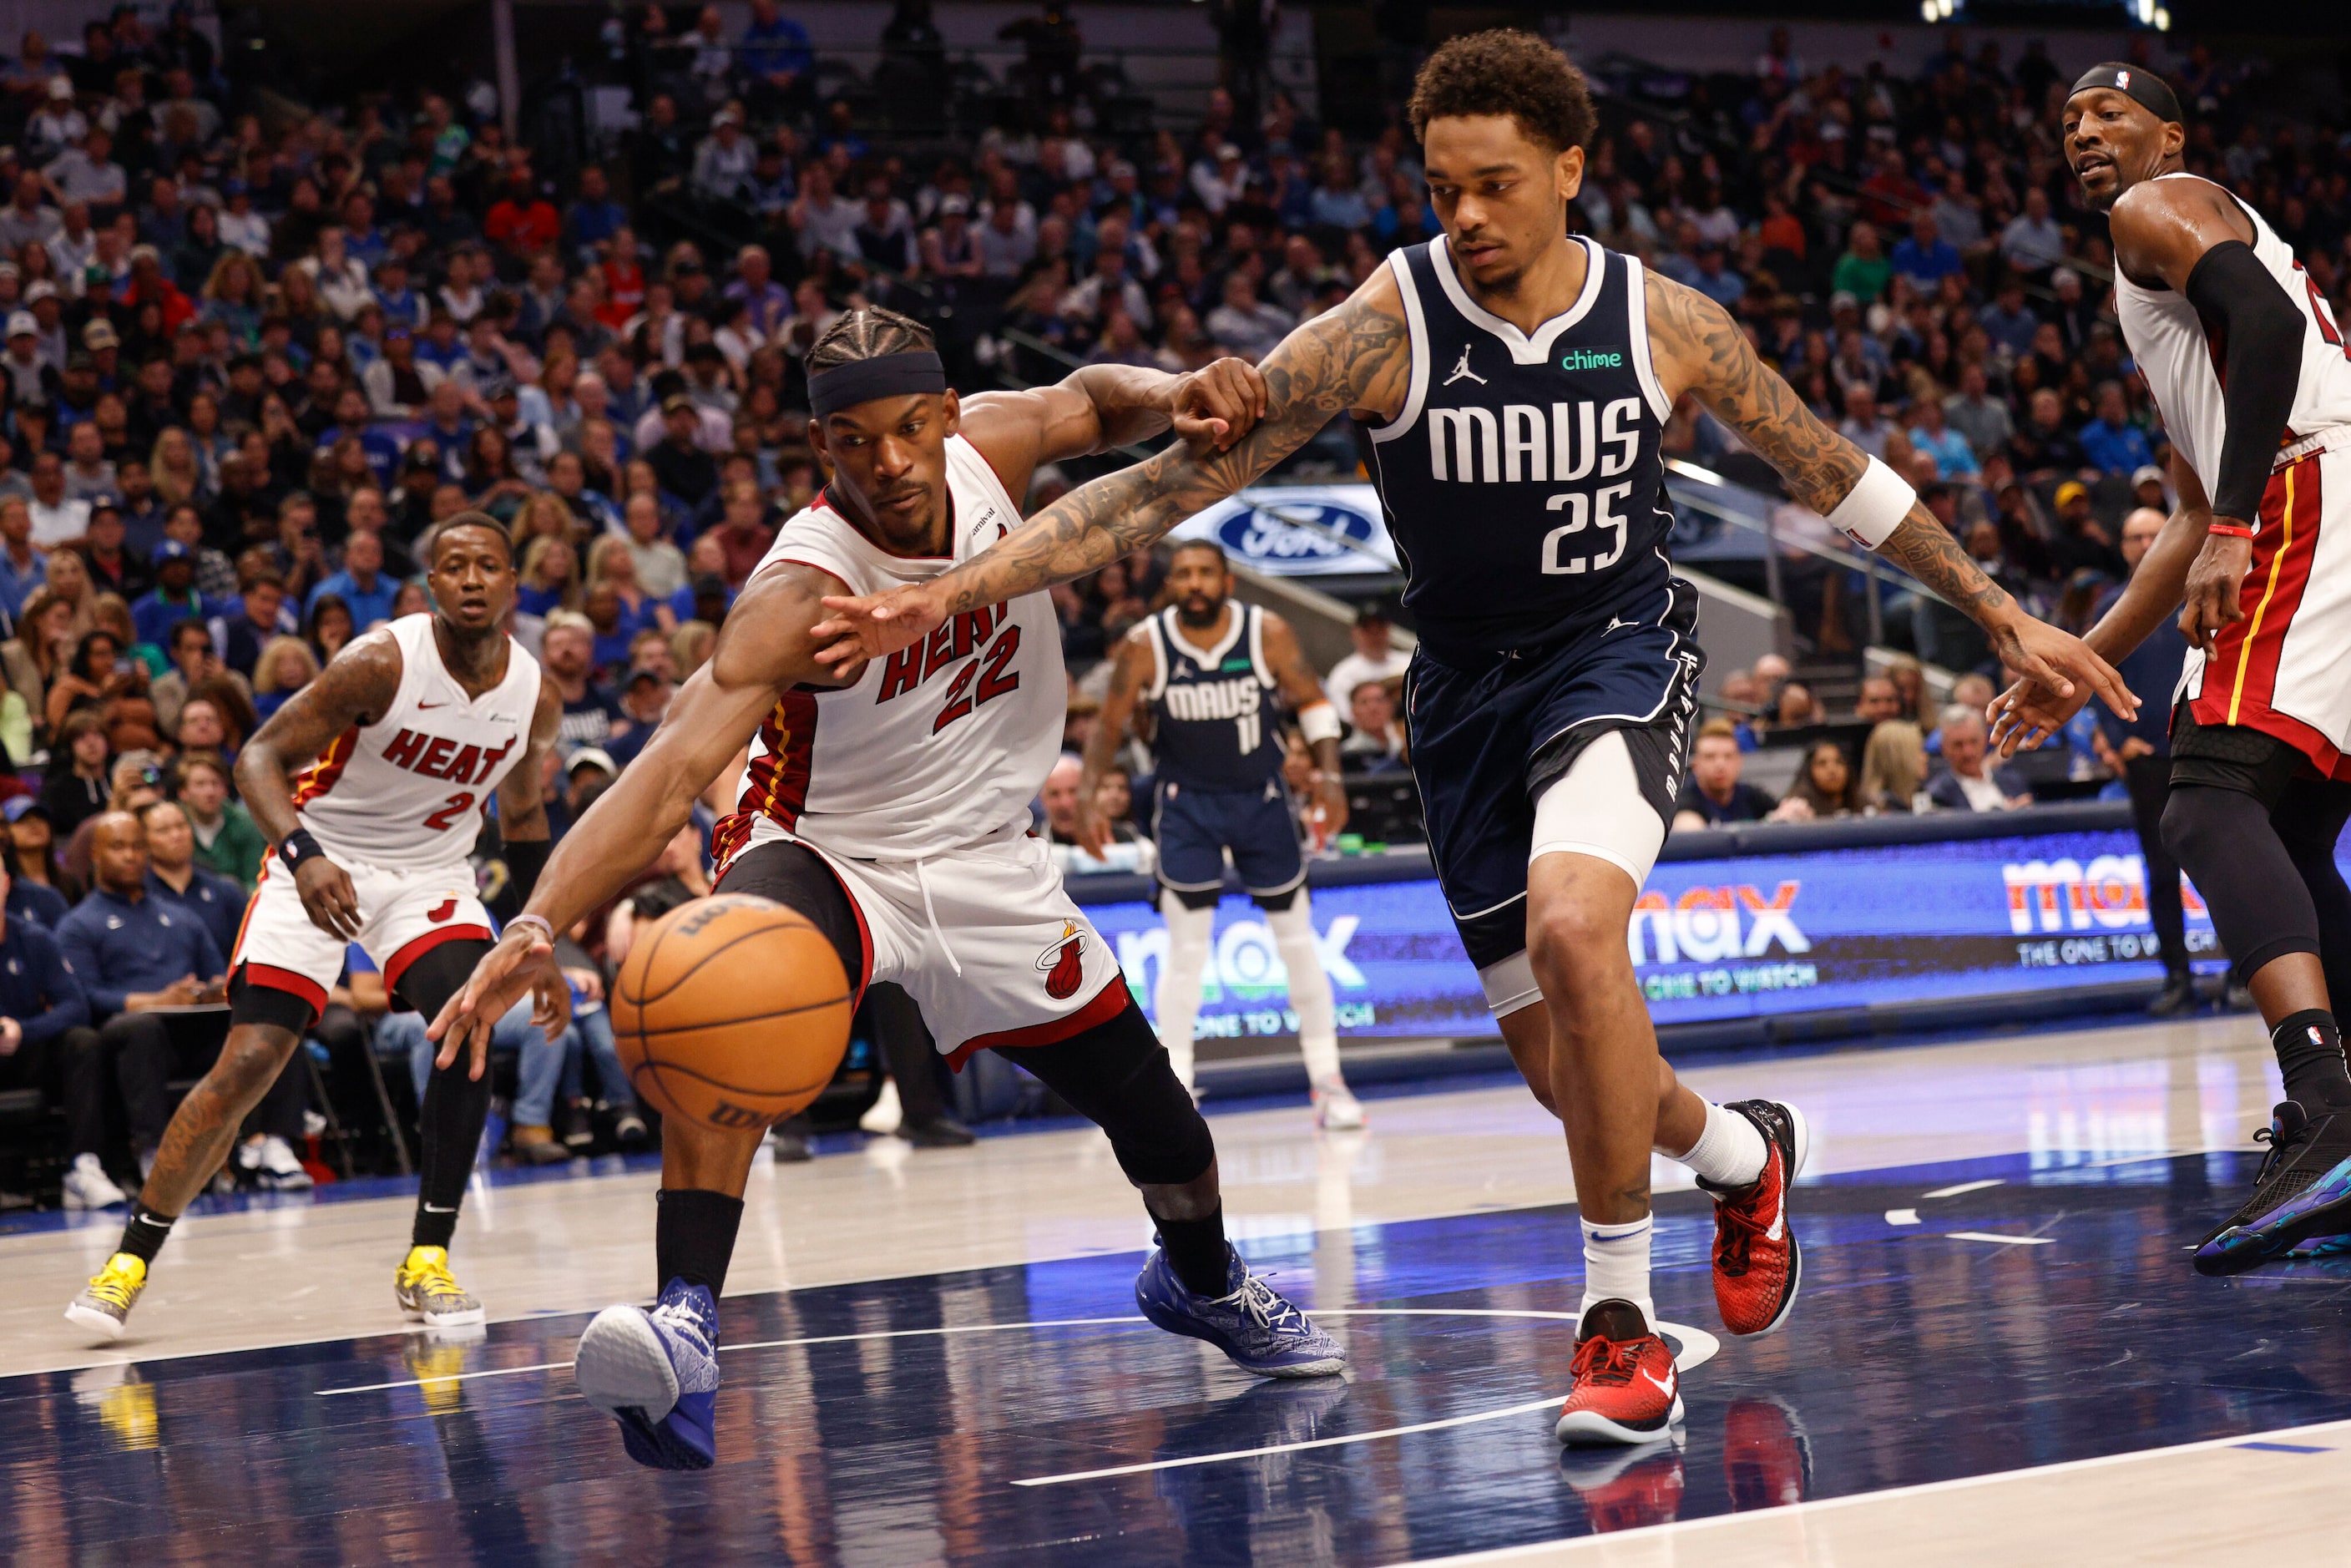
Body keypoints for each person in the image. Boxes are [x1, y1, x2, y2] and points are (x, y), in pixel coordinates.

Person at [808, 31, 2129, 1447]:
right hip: (1461, 702)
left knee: (1577, 935)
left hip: (1616, 658)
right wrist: (943, 593)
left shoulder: (1664, 320)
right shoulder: (1386, 325)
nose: (1468, 219)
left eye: (1495, 186)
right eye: (1443, 190)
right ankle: (1748, 1158)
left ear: (1571, 169)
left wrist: (1999, 610)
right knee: (1574, 1078)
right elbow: (1156, 493)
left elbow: (1831, 473)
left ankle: (1619, 1328)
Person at [427, 308, 1344, 1474]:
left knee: (1162, 1126)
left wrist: (1171, 391)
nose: (890, 461)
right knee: (718, 1000)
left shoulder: (996, 449)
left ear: (948, 416)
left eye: (911, 427)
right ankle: (686, 1324)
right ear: (823, 448)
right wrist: (535, 922)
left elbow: (1095, 401)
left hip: (986, 858)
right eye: (855, 440)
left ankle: (1205, 1281)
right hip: (825, 846)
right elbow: (667, 772)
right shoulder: (795, 593)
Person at [1997, 65, 2351, 1272]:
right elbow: (2191, 513)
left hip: (2311, 487)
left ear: (2170, 135)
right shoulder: (2161, 291)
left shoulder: (2162, 206)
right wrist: (2078, 661)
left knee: (2203, 803)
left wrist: (2253, 521)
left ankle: (2323, 1104)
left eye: (2110, 114)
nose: (2085, 131)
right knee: (2288, 830)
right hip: (2307, 485)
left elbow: (2274, 329)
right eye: (2069, 121)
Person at [64, 517, 565, 1343]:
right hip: (322, 858)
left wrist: (535, 931)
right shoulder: (380, 662)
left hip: (432, 876)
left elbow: (523, 811)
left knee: (467, 1027)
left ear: (514, 583)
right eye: (453, 566)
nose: (471, 579)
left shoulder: (534, 696)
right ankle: (129, 1259)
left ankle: (427, 1261)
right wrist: (300, 855)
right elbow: (257, 757)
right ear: (430, 587)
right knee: (252, 1060)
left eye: (488, 565)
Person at [1086, 539, 1363, 1124]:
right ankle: (1178, 1086)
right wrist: (1090, 796)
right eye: (1183, 574)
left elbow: (1313, 705)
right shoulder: (1147, 644)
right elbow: (1108, 726)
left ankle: (1329, 1081)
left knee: (1297, 941)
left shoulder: (1268, 632)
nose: (1194, 583)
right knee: (1186, 952)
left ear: (1227, 582)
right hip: (1188, 807)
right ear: (1171, 585)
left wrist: (1331, 778)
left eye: (1205, 574)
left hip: (1261, 801)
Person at [2088, 506, 2198, 1016]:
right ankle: (2178, 976)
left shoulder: (2201, 588)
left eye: (2155, 532)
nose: (2146, 542)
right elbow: (2091, 672)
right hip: (2147, 758)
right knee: (2160, 873)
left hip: (2201, 750)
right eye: (2136, 535)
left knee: (2226, 866)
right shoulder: (2111, 606)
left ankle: (2246, 976)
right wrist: (2116, 739)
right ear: (2124, 545)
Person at [0, 852, 100, 1203]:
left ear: (7, 883)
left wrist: (22, 1030)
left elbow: (75, 1005)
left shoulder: (34, 938)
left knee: (82, 1041)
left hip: (26, 1050)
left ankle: (83, 1166)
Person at [174, 749, 266, 890]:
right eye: (200, 784)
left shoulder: (247, 824)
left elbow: (256, 882)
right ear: (183, 793)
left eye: (216, 783)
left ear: (226, 790)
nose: (210, 792)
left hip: (238, 903)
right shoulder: (172, 826)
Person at [1671, 719, 1776, 830]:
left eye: (1728, 756)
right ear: (1696, 765)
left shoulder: (1750, 795)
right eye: (1710, 757)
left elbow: (1783, 811)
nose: (1720, 765)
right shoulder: (1684, 801)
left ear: (1739, 762)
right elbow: (1688, 829)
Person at [1925, 705, 2030, 812]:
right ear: (1944, 748)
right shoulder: (1938, 795)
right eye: (1958, 745)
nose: (1968, 752)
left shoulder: (2013, 782)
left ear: (1985, 740)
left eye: (1974, 742)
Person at [1321, 599, 1409, 711]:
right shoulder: (1342, 675)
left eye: (1380, 629)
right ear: (1355, 633)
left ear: (1388, 630)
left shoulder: (1410, 662)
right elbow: (1345, 717)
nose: (1375, 636)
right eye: (1368, 630)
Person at [1859, 720, 1929, 813]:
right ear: (1900, 759)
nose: (1925, 757)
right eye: (1920, 750)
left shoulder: (1925, 795)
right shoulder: (1875, 811)